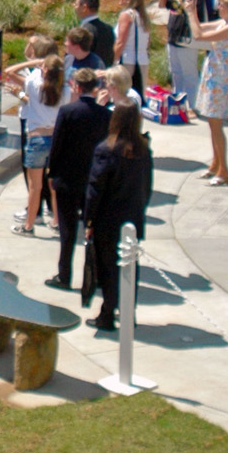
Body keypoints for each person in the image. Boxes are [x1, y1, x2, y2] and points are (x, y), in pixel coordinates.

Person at [81, 103, 153, 333]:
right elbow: (147, 186)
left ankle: (107, 315)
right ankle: (128, 313)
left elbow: (95, 189)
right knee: (130, 267)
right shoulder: (143, 149)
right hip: (133, 217)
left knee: (109, 269)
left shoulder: (106, 149)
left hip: (108, 220)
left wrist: (89, 220)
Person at [44, 69, 111, 292]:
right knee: (93, 229)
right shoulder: (105, 115)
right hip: (92, 181)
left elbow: (57, 145)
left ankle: (64, 275)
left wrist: (51, 172)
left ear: (75, 86)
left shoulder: (67, 111)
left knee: (67, 230)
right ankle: (97, 277)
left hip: (67, 179)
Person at [193, 0, 228, 184]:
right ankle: (215, 164)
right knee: (211, 122)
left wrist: (191, 13)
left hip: (220, 78)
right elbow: (199, 27)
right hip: (213, 74)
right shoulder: (223, 23)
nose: (219, 7)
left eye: (223, 5)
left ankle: (224, 171)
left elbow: (198, 36)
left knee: (216, 124)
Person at [12, 49, 65, 235]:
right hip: (57, 140)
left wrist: (31, 63)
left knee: (35, 187)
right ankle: (58, 222)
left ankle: (29, 226)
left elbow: (9, 72)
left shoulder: (33, 84)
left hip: (37, 139)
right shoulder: (64, 89)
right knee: (54, 186)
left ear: (44, 70)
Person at [115, 0, 152, 94]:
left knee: (122, 94)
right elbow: (148, 41)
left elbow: (120, 42)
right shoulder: (143, 17)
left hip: (127, 60)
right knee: (138, 95)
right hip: (142, 60)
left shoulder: (126, 15)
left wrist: (112, 60)